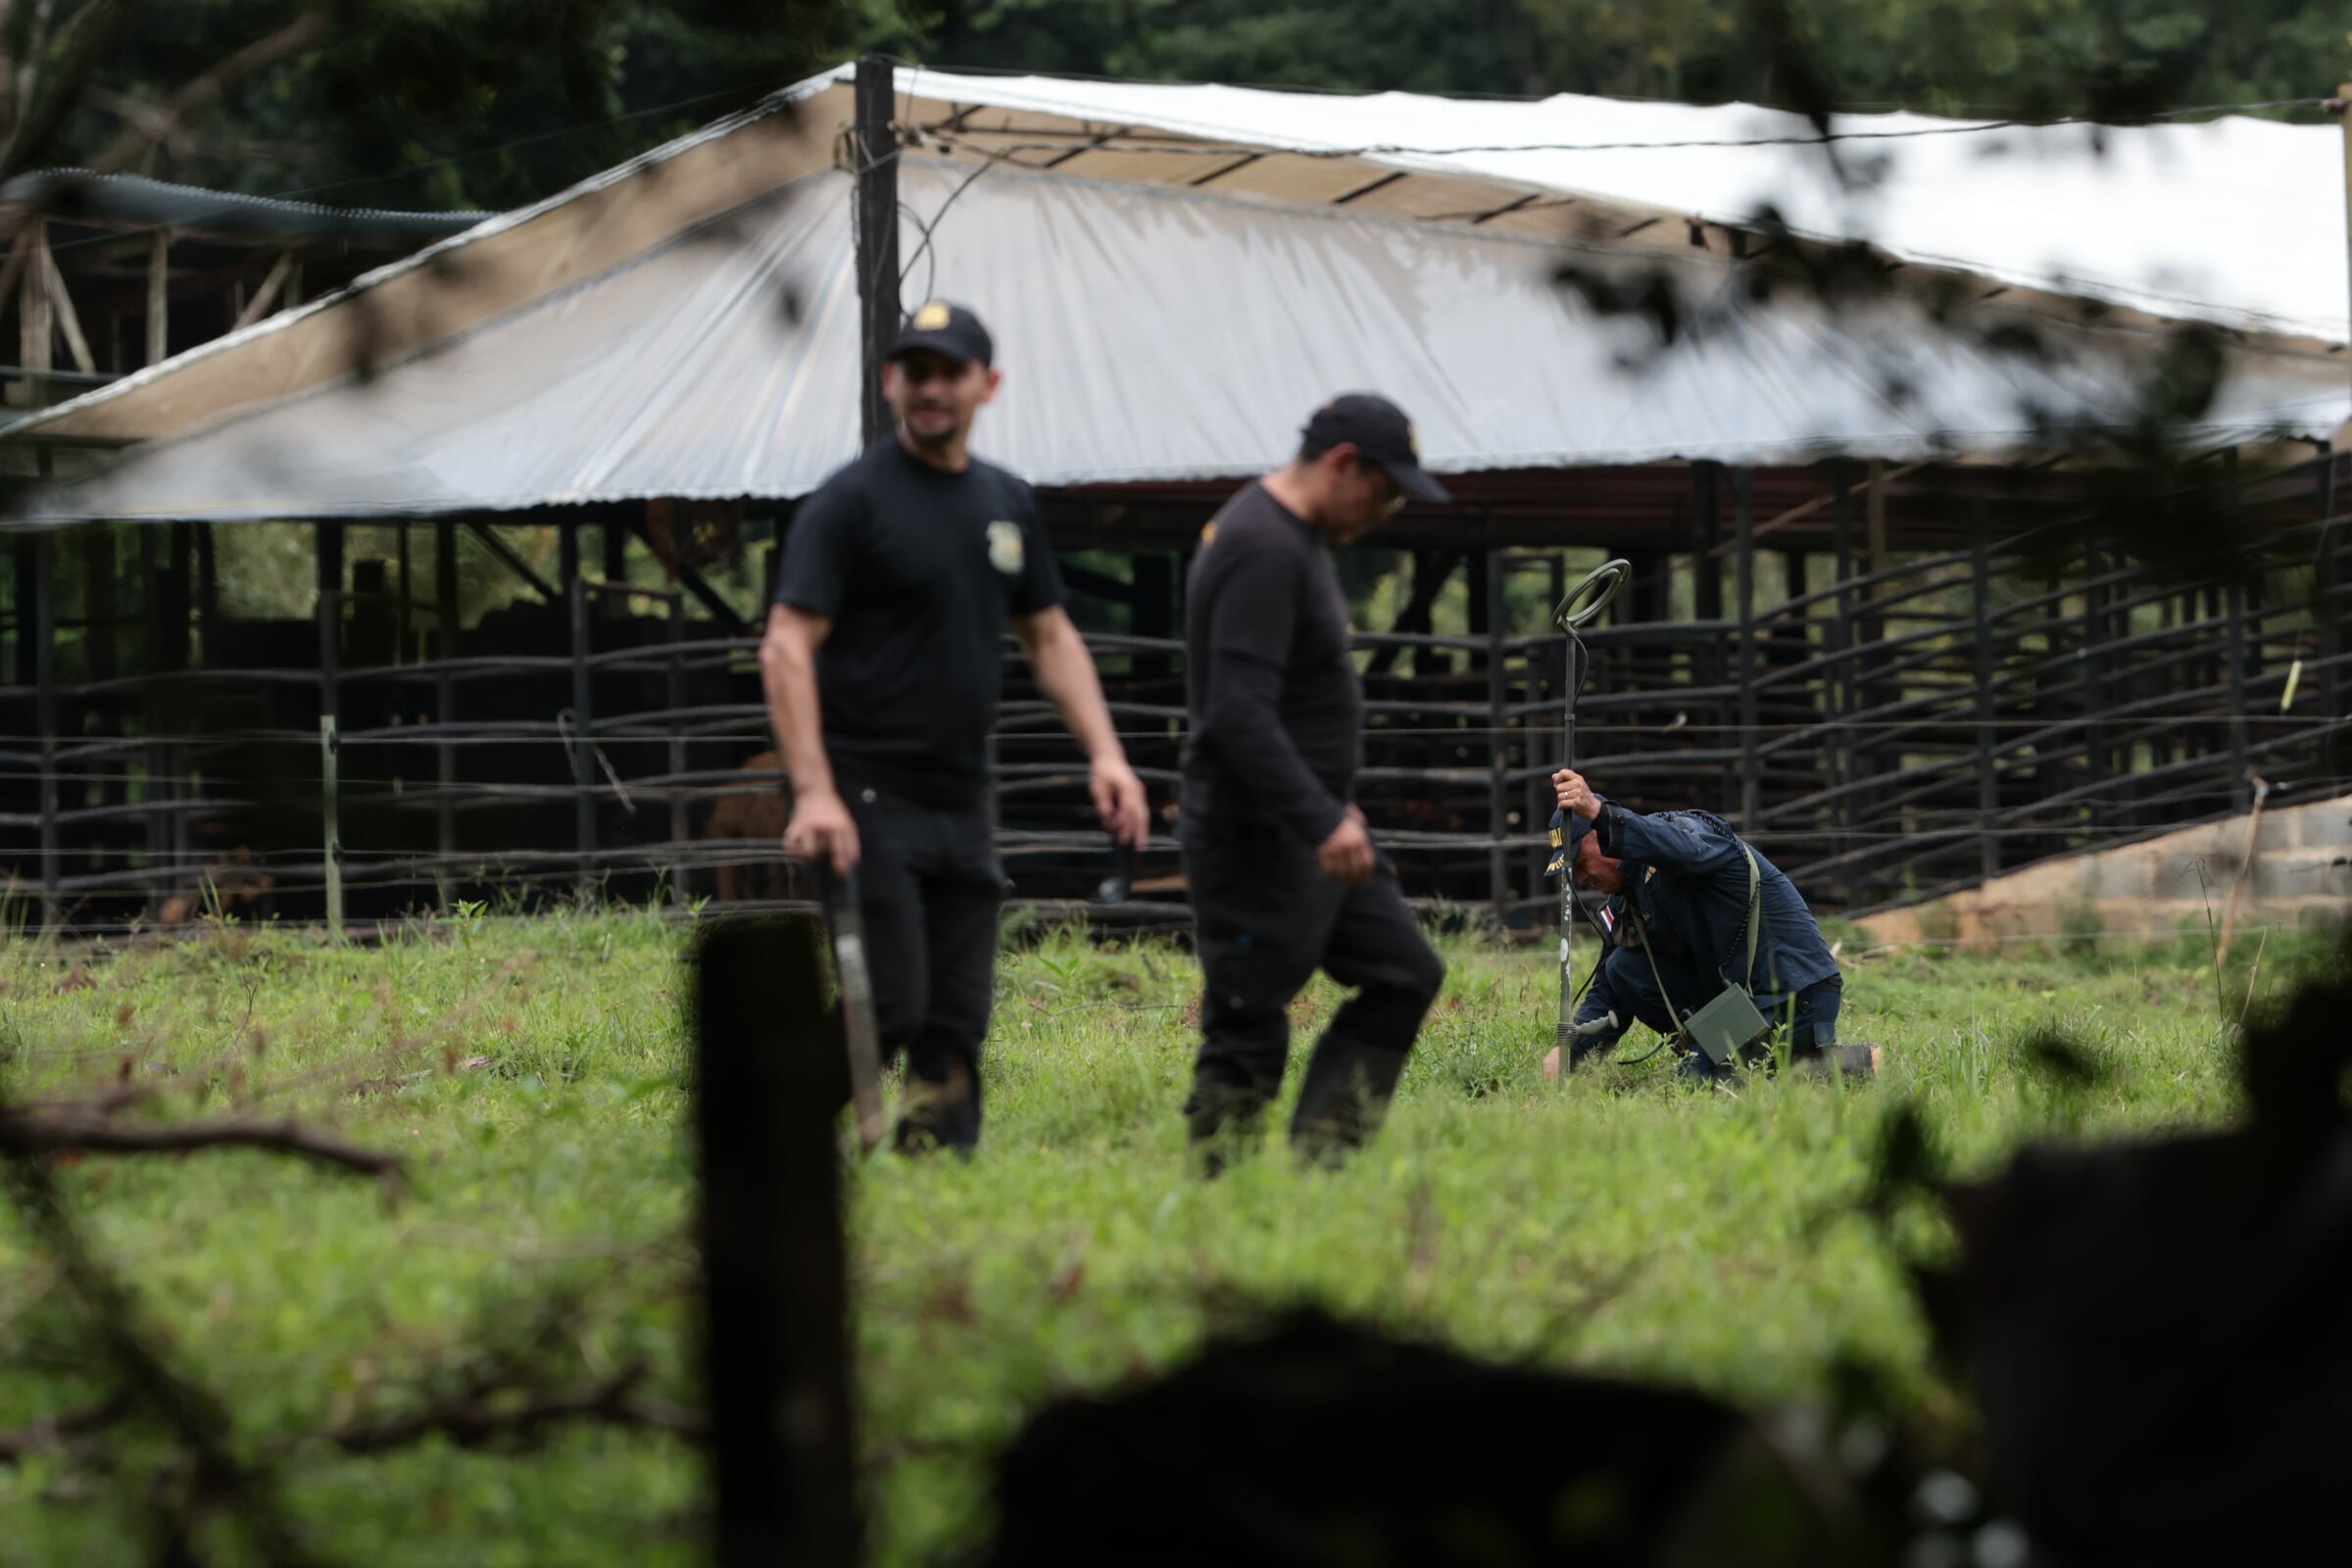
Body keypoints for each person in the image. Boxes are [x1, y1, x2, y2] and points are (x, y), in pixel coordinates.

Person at [761, 300, 1151, 1152]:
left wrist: (1108, 755)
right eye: (917, 372)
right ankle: (766, 1128)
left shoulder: (1005, 503)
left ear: (988, 385)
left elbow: (1048, 634)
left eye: (951, 373)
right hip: (863, 791)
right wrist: (816, 792)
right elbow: (787, 646)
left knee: (958, 1016)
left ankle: (939, 1187)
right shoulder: (850, 503)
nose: (932, 388)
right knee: (892, 1004)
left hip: (960, 798)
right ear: (891, 382)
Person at [1178, 393, 1452, 1165]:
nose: (1387, 511)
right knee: (1247, 1019)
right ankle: (1218, 1195)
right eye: (1386, 491)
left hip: (1313, 825)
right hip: (1256, 834)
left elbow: (1284, 703)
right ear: (1342, 466)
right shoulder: (1261, 545)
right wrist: (1320, 816)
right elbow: (1236, 713)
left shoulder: (1288, 540)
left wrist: (1334, 805)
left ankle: (1321, 1165)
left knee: (1403, 972)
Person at [1542, 767, 1860, 1082]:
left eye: (1581, 862)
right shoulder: (1627, 898)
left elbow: (1683, 848)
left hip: (1793, 992)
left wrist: (1599, 813)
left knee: (1700, 1081)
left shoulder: (1685, 832)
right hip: (1743, 1005)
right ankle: (1721, 1051)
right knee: (1621, 968)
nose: (1581, 878)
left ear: (1601, 836)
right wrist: (1570, 1054)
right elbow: (1610, 991)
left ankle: (1852, 1064)